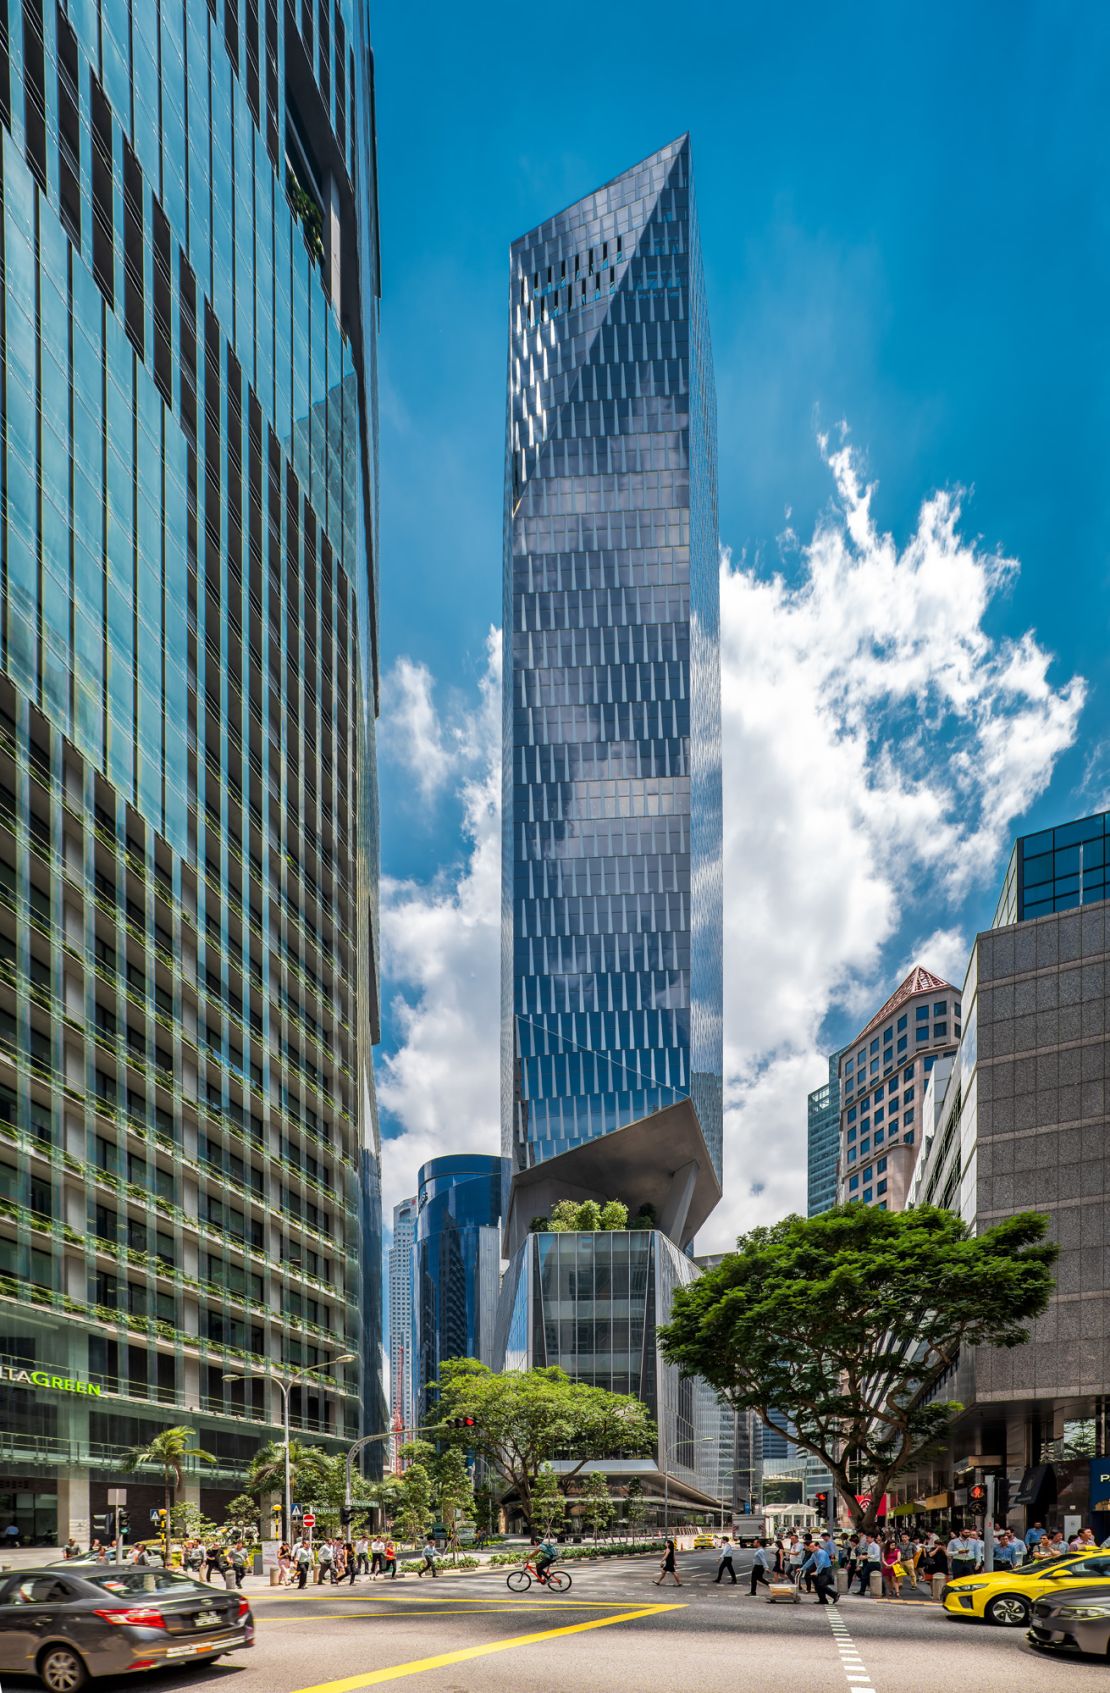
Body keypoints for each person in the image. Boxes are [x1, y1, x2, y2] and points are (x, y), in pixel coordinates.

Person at [800, 1538, 838, 1605]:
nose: (811, 1548)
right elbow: (810, 1561)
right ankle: (823, 1600)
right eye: (810, 1547)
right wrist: (802, 1568)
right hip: (821, 1569)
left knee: (821, 1585)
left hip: (826, 1570)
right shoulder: (814, 1553)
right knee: (817, 1586)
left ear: (817, 1546)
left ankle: (835, 1594)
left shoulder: (821, 1552)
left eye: (812, 1547)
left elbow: (822, 1563)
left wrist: (817, 1572)